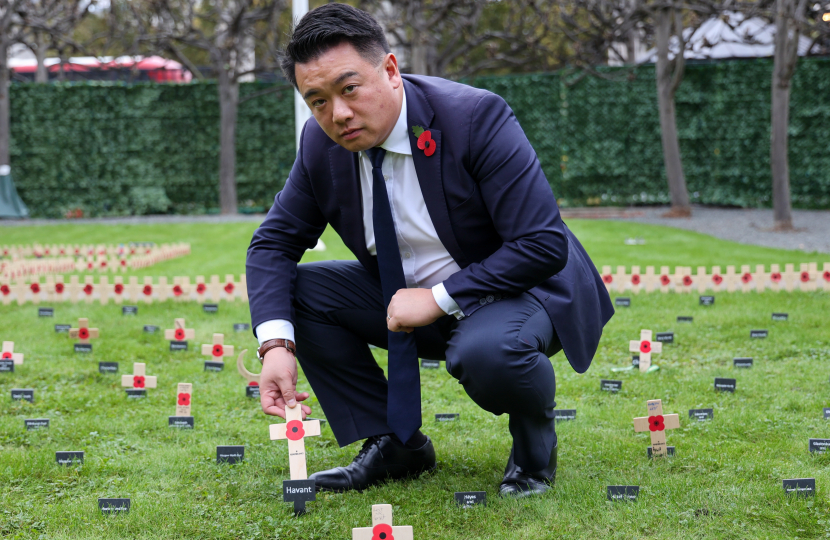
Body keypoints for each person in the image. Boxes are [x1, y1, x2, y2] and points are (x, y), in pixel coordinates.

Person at [246, 3, 613, 498]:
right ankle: (395, 446)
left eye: (349, 88)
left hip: (519, 293)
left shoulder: (474, 117)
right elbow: (272, 243)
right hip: (403, 302)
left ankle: (533, 457)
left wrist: (438, 297)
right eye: (317, 101)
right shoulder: (320, 143)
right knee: (299, 294)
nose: (338, 114)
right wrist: (276, 346)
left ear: (390, 70)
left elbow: (541, 243)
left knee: (489, 351)